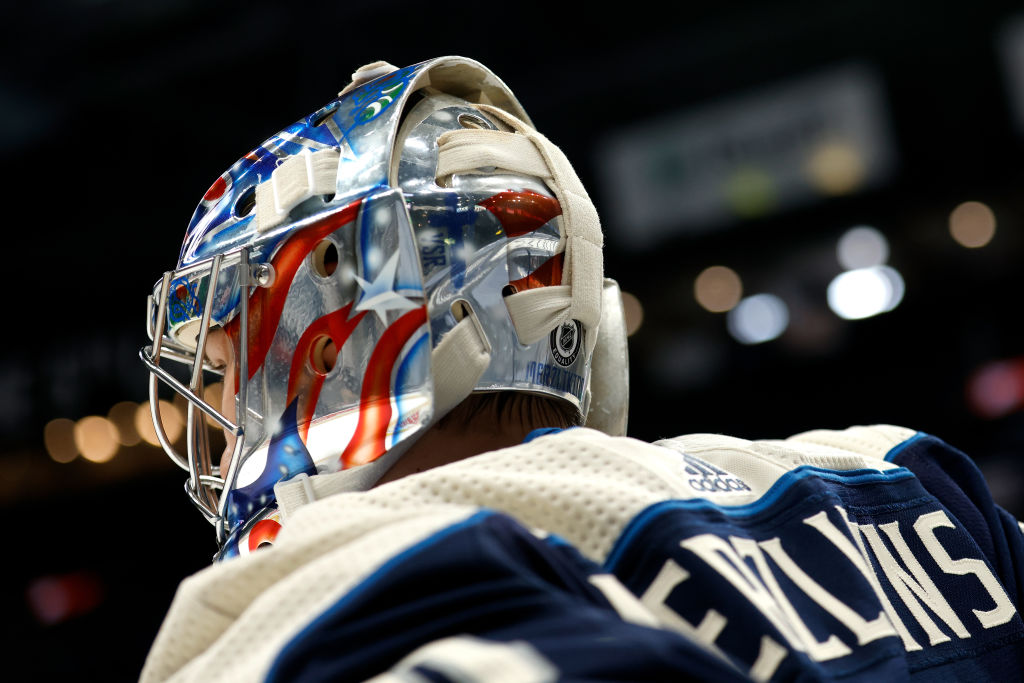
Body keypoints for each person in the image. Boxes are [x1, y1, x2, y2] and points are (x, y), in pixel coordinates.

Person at [139, 57, 1024, 681]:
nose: (213, 423)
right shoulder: (896, 478)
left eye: (218, 373)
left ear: (336, 349)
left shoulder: (328, 600)